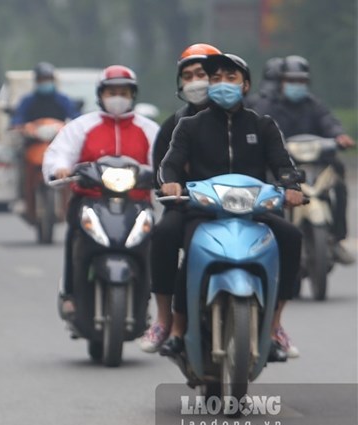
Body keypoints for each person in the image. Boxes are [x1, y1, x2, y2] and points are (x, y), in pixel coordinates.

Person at [157, 53, 305, 361]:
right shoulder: (189, 125)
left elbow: (283, 164)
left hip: (255, 209)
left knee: (291, 236)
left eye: (231, 78)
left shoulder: (262, 126)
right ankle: (175, 328)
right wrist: (169, 183)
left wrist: (291, 186)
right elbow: (169, 164)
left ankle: (275, 324)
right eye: (216, 78)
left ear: (246, 85)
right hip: (203, 209)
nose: (222, 84)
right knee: (187, 249)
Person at [42, 65, 159, 317]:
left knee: (151, 244)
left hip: (136, 203)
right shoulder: (81, 126)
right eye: (111, 91)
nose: (117, 97)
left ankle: (147, 298)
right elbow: (60, 152)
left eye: (123, 91)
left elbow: (164, 160)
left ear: (133, 94)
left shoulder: (149, 129)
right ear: (100, 94)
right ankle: (70, 293)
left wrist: (167, 178)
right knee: (75, 232)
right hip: (91, 200)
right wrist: (61, 168)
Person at [140, 43, 222, 353]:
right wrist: (170, 185)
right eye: (187, 76)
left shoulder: (245, 120)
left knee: (281, 233)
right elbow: (162, 170)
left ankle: (271, 322)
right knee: (163, 233)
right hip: (189, 206)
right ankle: (165, 318)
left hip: (238, 207)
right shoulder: (175, 125)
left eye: (202, 73)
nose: (195, 81)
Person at [252, 55, 356, 264]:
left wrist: (339, 135)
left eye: (301, 81)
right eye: (291, 80)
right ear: (281, 82)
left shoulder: (313, 105)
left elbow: (329, 121)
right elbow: (259, 128)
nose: (296, 85)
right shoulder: (267, 106)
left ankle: (336, 238)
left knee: (338, 180)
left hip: (315, 162)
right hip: (282, 165)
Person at [10, 62, 81, 127]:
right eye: (42, 79)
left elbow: (75, 116)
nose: (45, 82)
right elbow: (18, 118)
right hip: (32, 137)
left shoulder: (62, 100)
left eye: (48, 79)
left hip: (58, 135)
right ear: (37, 80)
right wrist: (23, 126)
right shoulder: (28, 101)